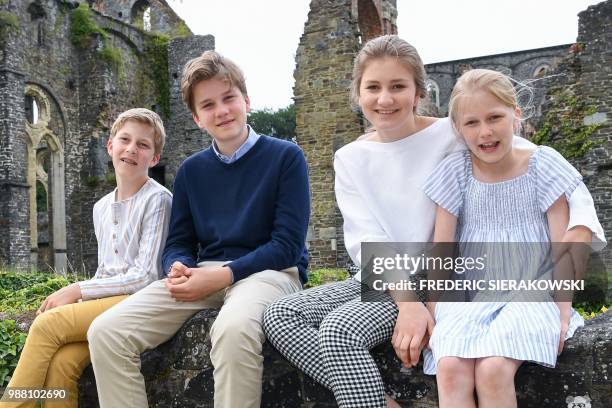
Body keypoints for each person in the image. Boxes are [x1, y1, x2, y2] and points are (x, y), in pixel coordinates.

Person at [263, 35, 606, 408]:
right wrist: (406, 302)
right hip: (380, 274)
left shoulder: (452, 132)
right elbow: (367, 238)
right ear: (357, 93)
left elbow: (520, 156)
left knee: (339, 332)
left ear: (419, 92)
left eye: (398, 86)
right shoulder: (350, 156)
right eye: (373, 87)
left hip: (433, 274)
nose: (385, 99)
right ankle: (375, 397)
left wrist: (579, 226)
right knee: (282, 315)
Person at [86, 50, 310, 408]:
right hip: (204, 274)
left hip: (271, 273)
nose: (221, 111)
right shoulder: (192, 170)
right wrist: (176, 265)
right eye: (208, 105)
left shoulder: (285, 157)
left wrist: (223, 275)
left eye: (229, 98)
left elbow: (286, 245)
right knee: (107, 331)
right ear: (197, 118)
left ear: (246, 101)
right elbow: (179, 241)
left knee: (232, 330)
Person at [422, 68, 595, 408]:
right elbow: (441, 252)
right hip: (472, 297)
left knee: (494, 369)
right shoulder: (455, 171)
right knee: (451, 367)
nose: (484, 132)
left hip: (532, 295)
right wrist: (434, 312)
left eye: (494, 117)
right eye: (471, 123)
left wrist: (563, 311)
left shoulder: (543, 165)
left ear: (515, 114)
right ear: (458, 128)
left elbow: (562, 247)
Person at [0, 108, 172, 408]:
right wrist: (82, 296)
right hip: (107, 304)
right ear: (110, 146)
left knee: (45, 326)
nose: (131, 148)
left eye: (143, 145)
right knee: (62, 364)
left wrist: (77, 290)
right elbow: (106, 271)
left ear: (154, 158)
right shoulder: (101, 207)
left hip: (141, 302)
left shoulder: (159, 199)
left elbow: (146, 276)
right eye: (125, 139)